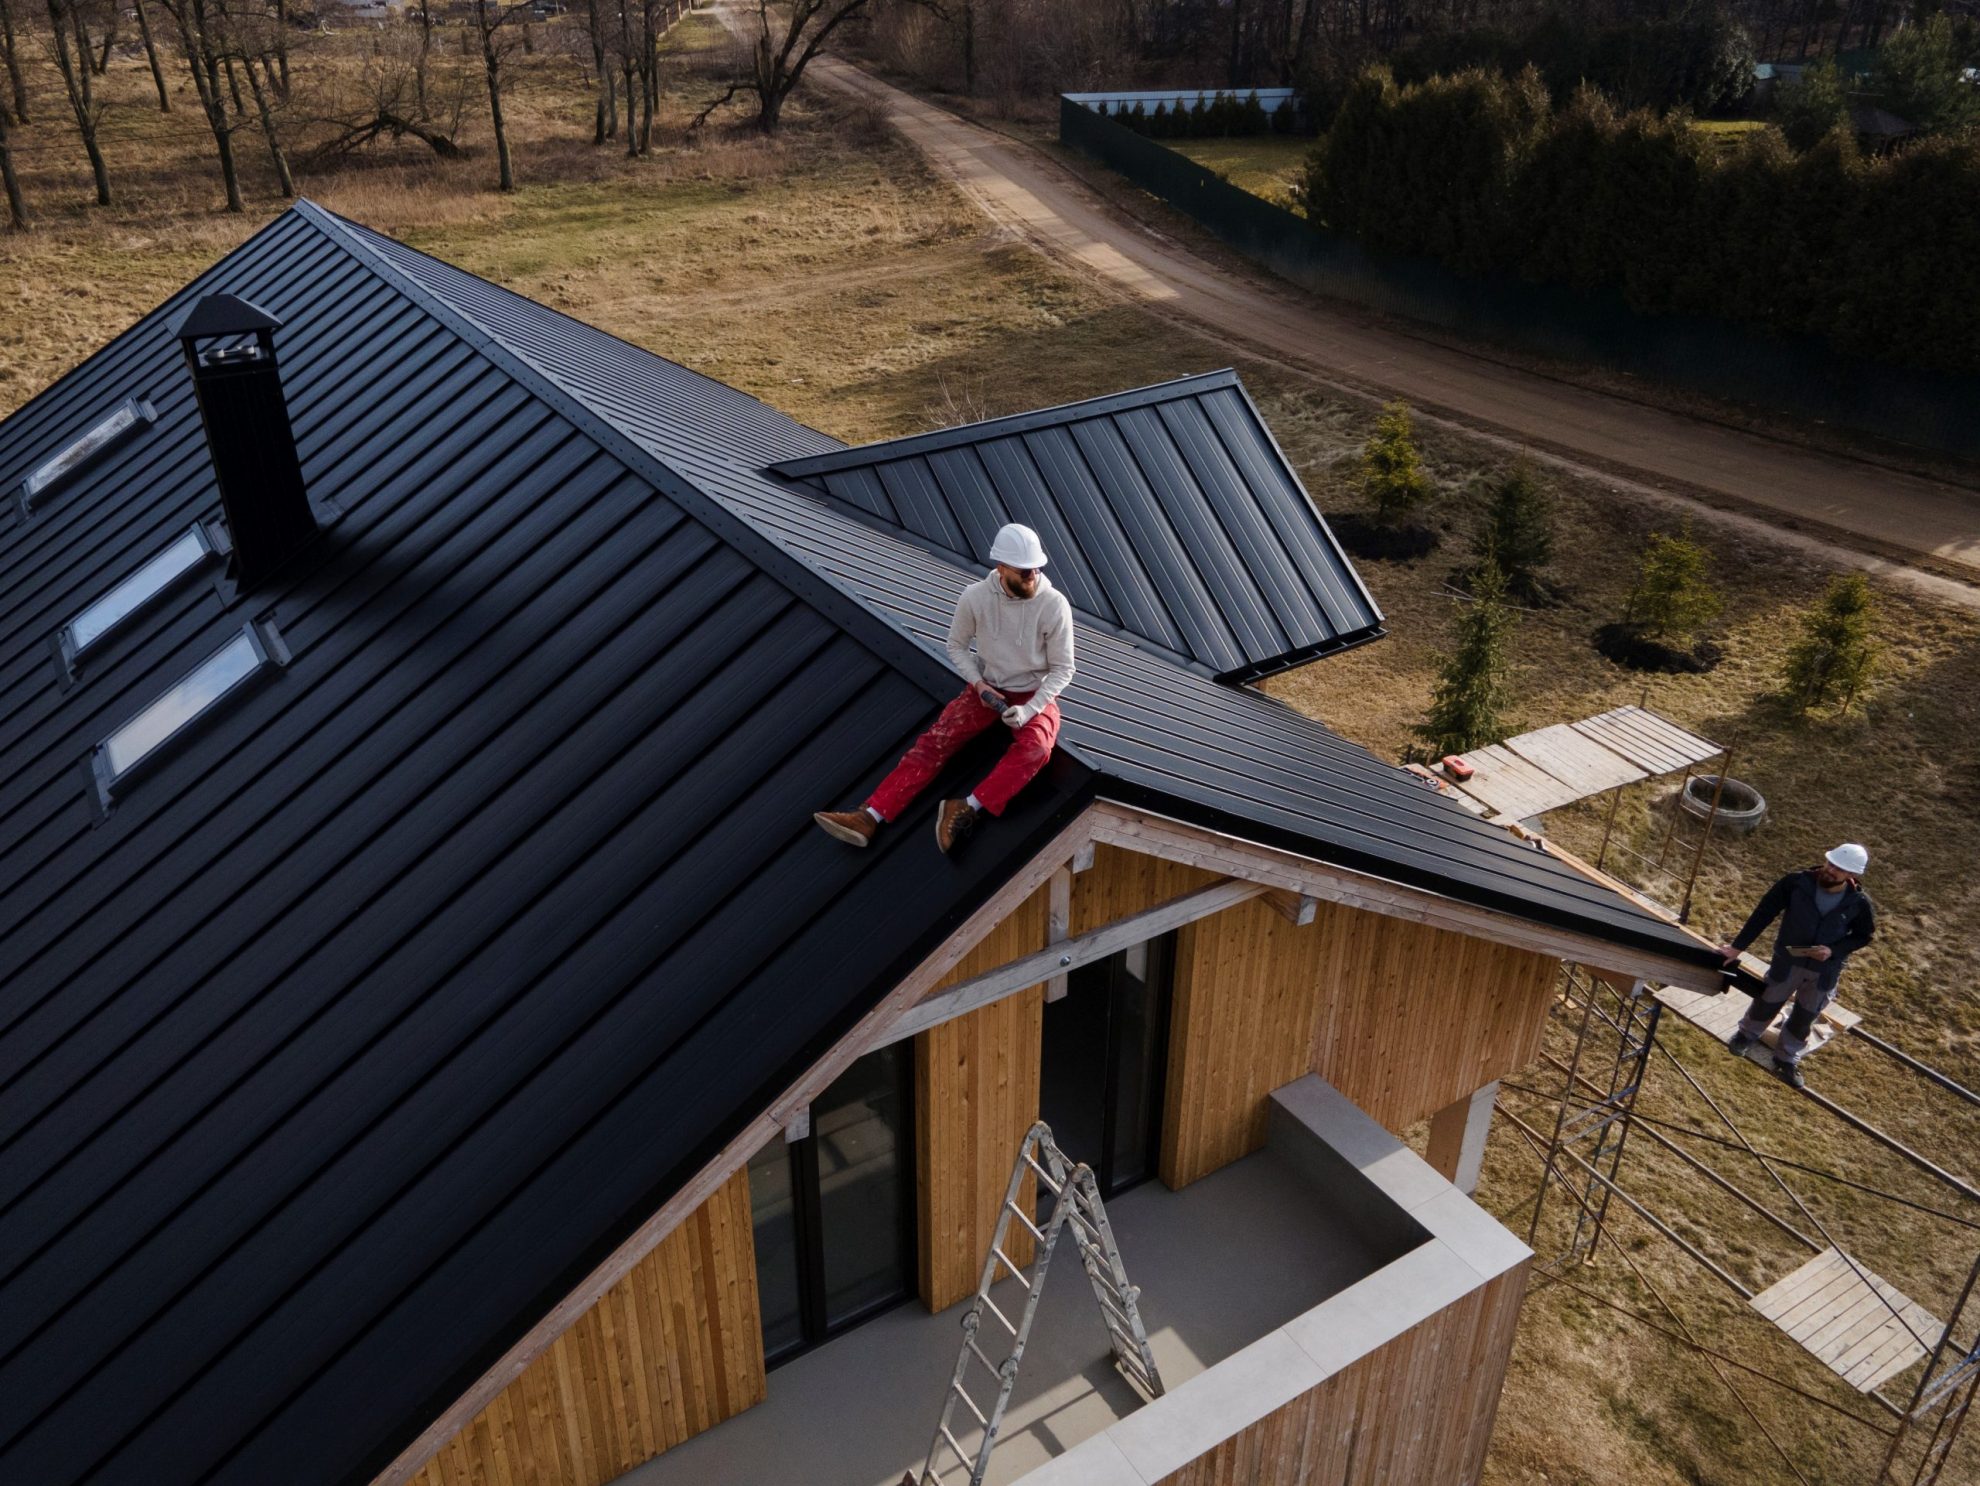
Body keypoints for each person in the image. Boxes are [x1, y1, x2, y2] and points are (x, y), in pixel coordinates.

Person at [813, 523, 1075, 855]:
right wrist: (979, 686)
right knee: (935, 743)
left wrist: (1030, 708)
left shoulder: (1053, 605)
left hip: (1033, 694)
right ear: (1001, 567)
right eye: (1024, 571)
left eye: (1036, 569)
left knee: (1036, 749)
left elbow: (1064, 669)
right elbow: (956, 646)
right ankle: (870, 816)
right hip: (987, 687)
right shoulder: (975, 598)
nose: (1032, 576)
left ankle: (966, 808)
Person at [1716, 844, 1876, 1089]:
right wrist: (1737, 947)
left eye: (1839, 869)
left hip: (1823, 971)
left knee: (1805, 1015)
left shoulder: (1858, 903)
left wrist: (1834, 950)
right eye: (1830, 863)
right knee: (1767, 999)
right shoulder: (1795, 883)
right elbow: (1764, 913)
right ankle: (1746, 1035)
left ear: (1851, 876)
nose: (1831, 870)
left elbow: (1863, 936)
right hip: (1787, 962)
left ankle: (1787, 1058)